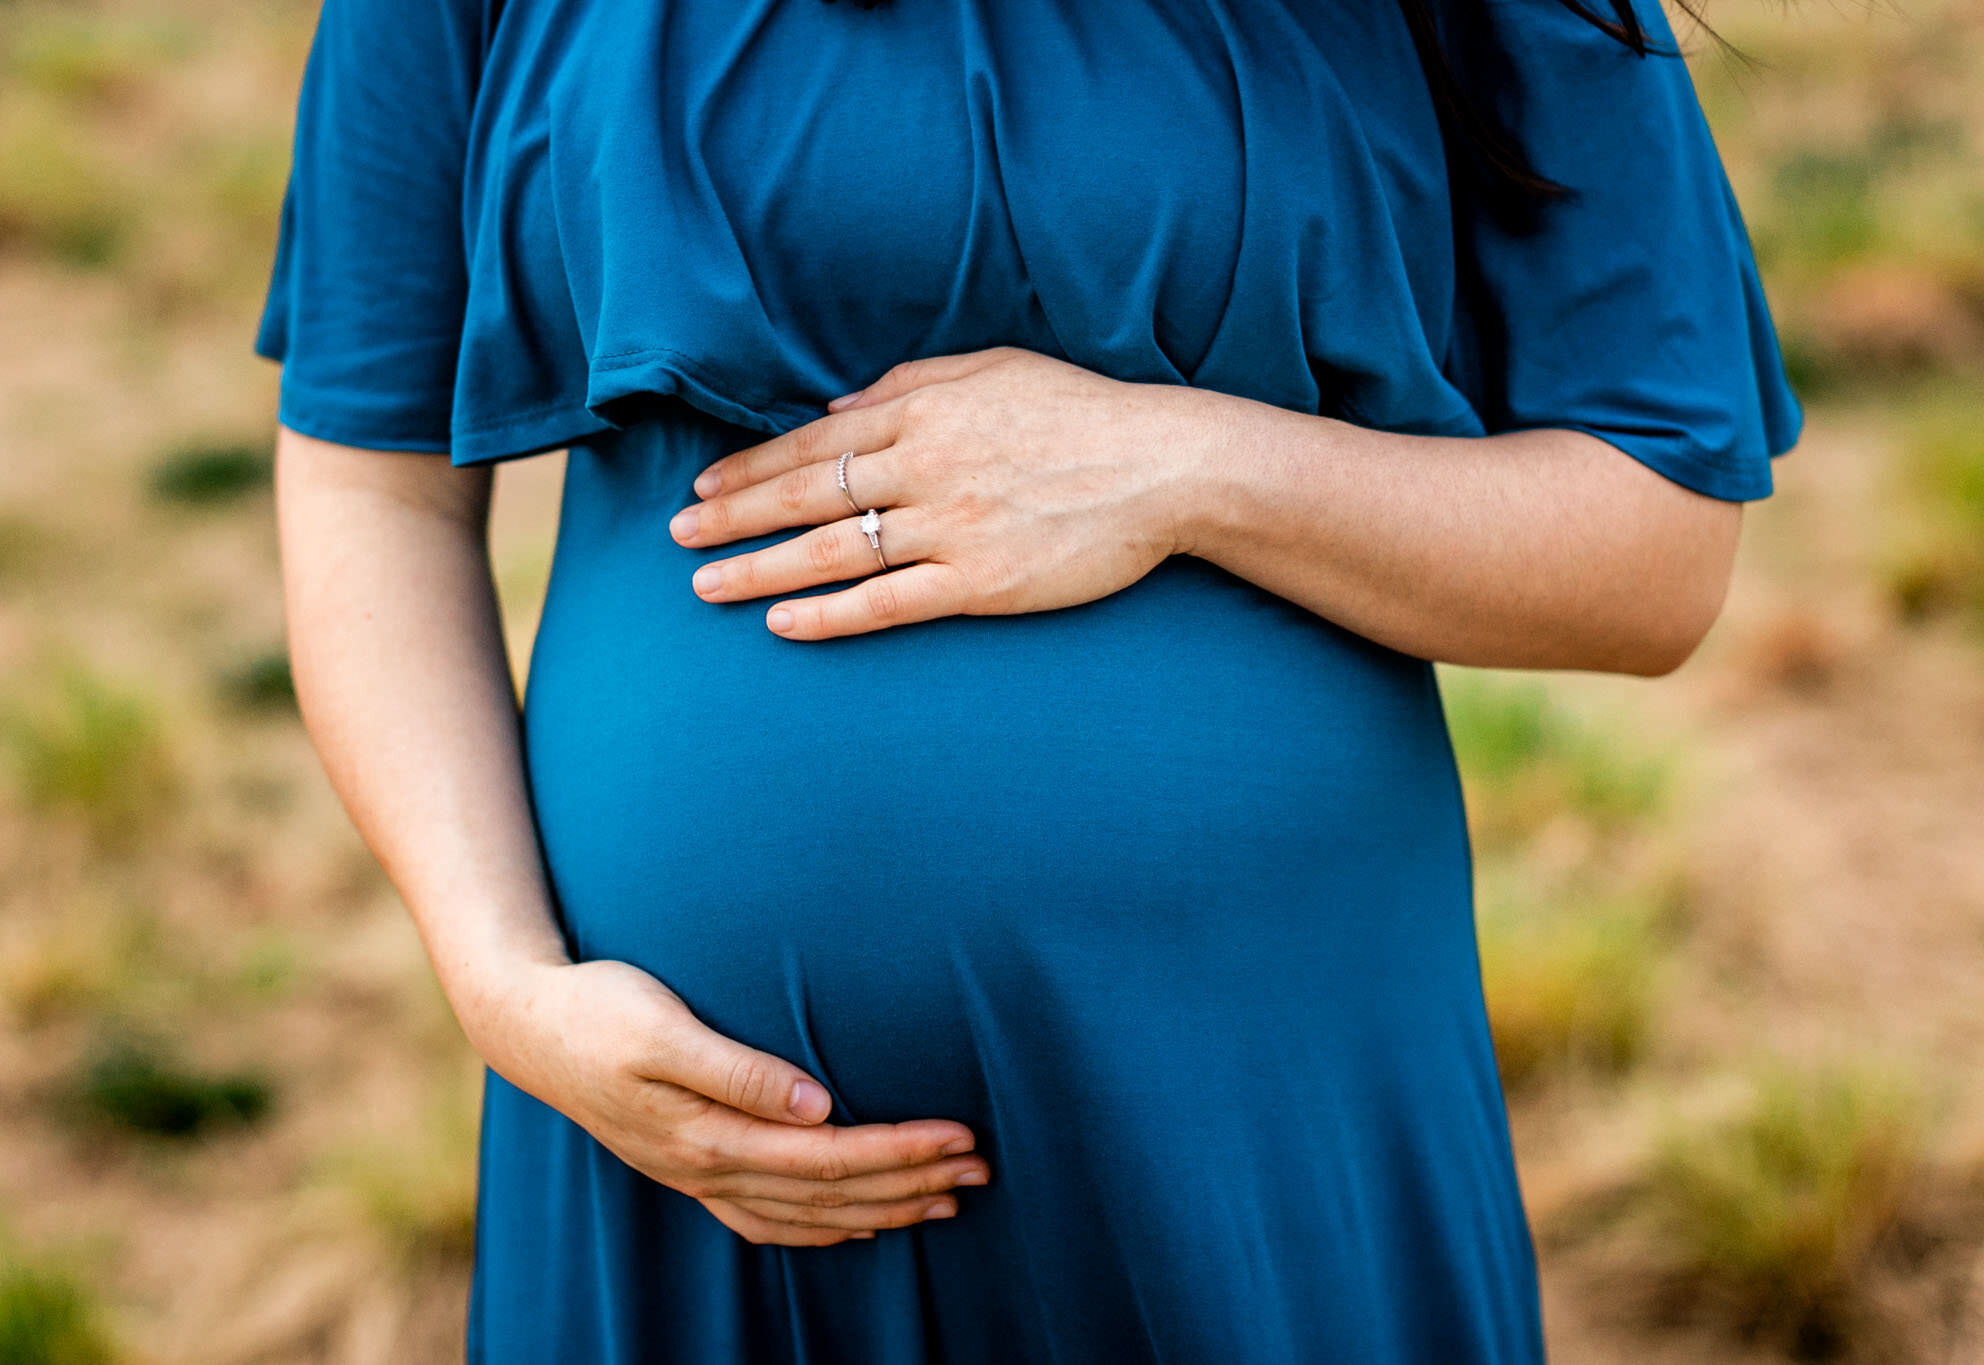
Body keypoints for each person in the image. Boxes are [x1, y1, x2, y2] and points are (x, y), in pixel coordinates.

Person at [257, 0, 1802, 1358]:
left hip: (1250, 1103)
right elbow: (369, 486)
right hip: (675, 1157)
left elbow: (1657, 549)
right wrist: (503, 981)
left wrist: (1190, 469)